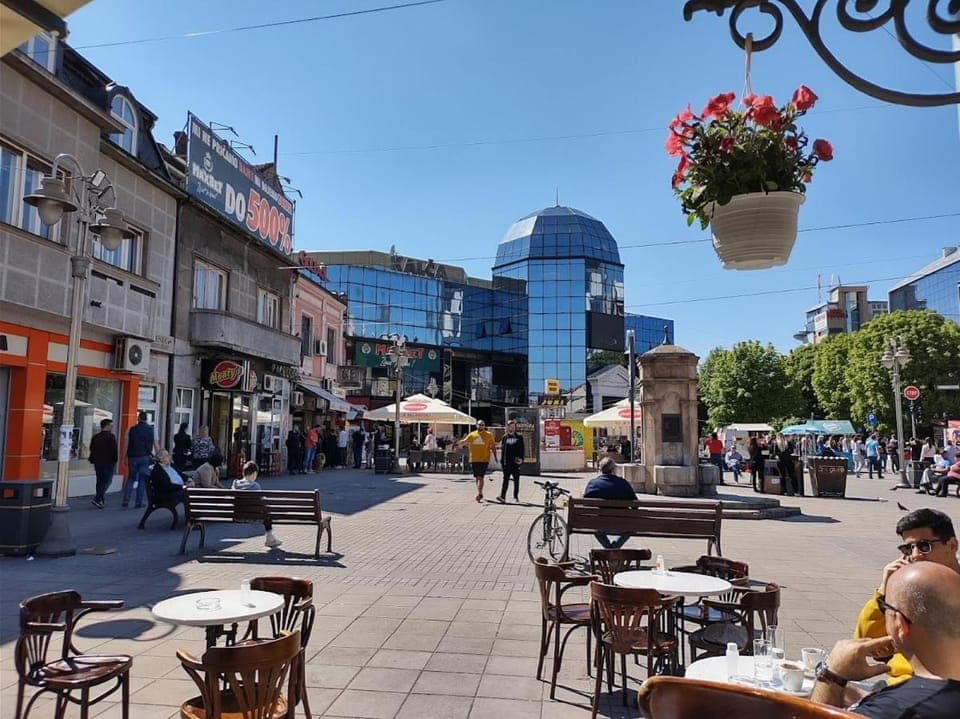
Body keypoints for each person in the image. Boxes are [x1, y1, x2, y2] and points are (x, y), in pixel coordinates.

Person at [812, 561, 960, 717]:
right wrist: (867, 698)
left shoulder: (895, 709)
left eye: (884, 607)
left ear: (900, 624)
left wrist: (832, 677)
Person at [853, 508, 960, 685]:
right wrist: (884, 591)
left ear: (952, 545)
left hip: (939, 691)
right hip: (898, 684)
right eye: (908, 548)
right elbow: (871, 645)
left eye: (924, 546)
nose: (915, 555)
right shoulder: (910, 587)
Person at [583, 457, 638, 549]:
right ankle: (614, 547)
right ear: (613, 469)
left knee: (595, 528)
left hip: (600, 524)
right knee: (631, 528)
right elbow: (635, 506)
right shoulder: (623, 483)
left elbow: (585, 504)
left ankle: (609, 548)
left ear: (600, 470)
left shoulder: (593, 484)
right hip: (623, 524)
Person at [232, 461, 283, 548]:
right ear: (254, 474)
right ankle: (270, 539)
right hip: (253, 516)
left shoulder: (235, 484)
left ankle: (270, 538)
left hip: (237, 515)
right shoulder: (255, 486)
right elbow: (261, 503)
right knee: (267, 513)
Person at [122, 411, 156, 509]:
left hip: (132, 457)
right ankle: (138, 502)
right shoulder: (151, 430)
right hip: (145, 457)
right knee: (142, 480)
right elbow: (154, 444)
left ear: (139, 418)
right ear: (146, 419)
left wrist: (124, 457)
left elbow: (126, 445)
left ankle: (126, 500)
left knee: (131, 478)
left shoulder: (131, 429)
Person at [458, 420, 498, 503]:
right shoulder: (472, 434)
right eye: (479, 425)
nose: (481, 426)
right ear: (476, 425)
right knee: (477, 477)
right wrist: (457, 443)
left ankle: (479, 493)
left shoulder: (488, 435)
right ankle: (480, 492)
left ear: (484, 426)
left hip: (484, 459)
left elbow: (493, 446)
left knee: (480, 477)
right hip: (474, 459)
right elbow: (464, 441)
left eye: (482, 425)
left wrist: (495, 456)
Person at [88, 418, 118, 509]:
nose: (112, 427)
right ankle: (98, 498)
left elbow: (91, 448)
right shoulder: (111, 437)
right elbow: (114, 450)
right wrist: (115, 460)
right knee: (107, 481)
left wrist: (93, 459)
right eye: (111, 425)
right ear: (107, 426)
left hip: (98, 462)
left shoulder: (96, 437)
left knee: (100, 481)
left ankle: (100, 500)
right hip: (108, 462)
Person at [497, 420, 526, 503]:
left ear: (515, 427)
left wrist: (521, 459)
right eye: (510, 426)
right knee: (505, 480)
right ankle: (502, 496)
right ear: (507, 427)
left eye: (513, 426)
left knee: (516, 480)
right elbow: (503, 450)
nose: (512, 428)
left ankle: (515, 496)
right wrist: (502, 461)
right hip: (506, 463)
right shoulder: (504, 437)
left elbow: (522, 449)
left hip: (516, 463)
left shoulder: (519, 437)